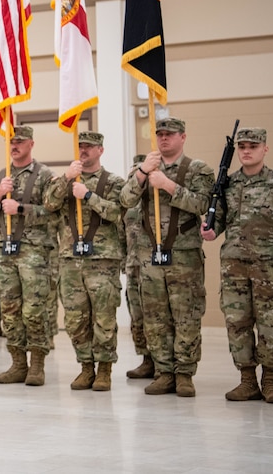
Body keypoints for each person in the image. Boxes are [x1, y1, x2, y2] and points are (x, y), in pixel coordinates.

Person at [201, 127, 273, 404]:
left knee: (269, 323)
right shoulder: (228, 183)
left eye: (253, 146)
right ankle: (247, 380)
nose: (246, 151)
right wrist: (211, 231)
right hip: (233, 265)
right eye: (242, 146)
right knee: (237, 323)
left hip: (267, 266)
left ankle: (270, 381)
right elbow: (221, 220)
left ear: (265, 149)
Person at [120, 117, 214, 398]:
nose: (164, 139)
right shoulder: (146, 169)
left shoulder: (198, 169)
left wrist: (168, 185)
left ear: (183, 137)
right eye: (160, 134)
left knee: (186, 316)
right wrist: (142, 174)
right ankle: (163, 371)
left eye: (170, 134)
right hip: (150, 258)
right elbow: (125, 200)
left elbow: (204, 204)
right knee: (155, 317)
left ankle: (184, 373)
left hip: (183, 257)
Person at [45, 131, 127, 391]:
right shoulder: (65, 180)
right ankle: (85, 367)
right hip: (71, 259)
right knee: (75, 318)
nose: (84, 150)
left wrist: (89, 196)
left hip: (102, 259)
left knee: (103, 317)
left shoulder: (113, 181)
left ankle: (104, 370)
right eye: (80, 146)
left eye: (89, 147)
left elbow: (117, 212)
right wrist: (67, 179)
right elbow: (48, 203)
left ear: (100, 150)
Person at [0, 125, 58, 386]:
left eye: (20, 141)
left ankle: (37, 364)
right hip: (4, 254)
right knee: (10, 309)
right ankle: (17, 364)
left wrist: (21, 208)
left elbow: (54, 212)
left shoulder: (45, 175)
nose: (14, 145)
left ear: (31, 144)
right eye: (11, 141)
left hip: (33, 254)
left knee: (34, 310)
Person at [123, 154, 154, 379]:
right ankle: (146, 359)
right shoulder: (128, 205)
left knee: (158, 316)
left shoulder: (157, 204)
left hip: (154, 267)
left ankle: (164, 363)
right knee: (137, 315)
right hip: (133, 267)